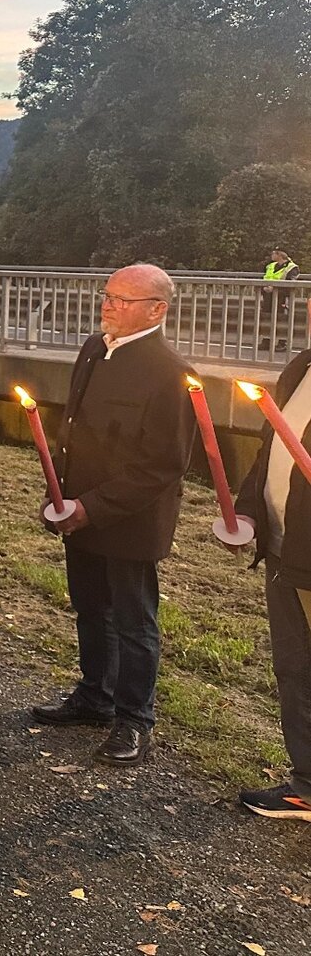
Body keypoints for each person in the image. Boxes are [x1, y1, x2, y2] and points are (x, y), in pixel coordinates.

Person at [29, 263, 195, 767]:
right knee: (90, 608)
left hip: (129, 521)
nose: (109, 306)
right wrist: (59, 493)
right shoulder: (93, 349)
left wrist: (90, 507)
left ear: (157, 310)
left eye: (123, 299)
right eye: (108, 295)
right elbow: (73, 427)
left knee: (133, 622)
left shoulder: (172, 373)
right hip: (79, 509)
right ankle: (95, 696)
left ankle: (135, 720)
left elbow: (163, 465)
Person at [227, 327, 311, 821]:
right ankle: (306, 784)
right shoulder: (300, 367)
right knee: (294, 668)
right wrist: (248, 510)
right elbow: (269, 449)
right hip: (286, 549)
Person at [259, 248, 300, 352]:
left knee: (282, 319)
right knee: (267, 318)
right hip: (269, 296)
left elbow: (290, 284)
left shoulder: (292, 268)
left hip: (283, 297)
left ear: (280, 255)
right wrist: (264, 288)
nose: (272, 255)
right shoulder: (271, 266)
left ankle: (283, 343)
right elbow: (265, 278)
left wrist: (274, 288)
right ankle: (266, 341)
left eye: (274, 253)